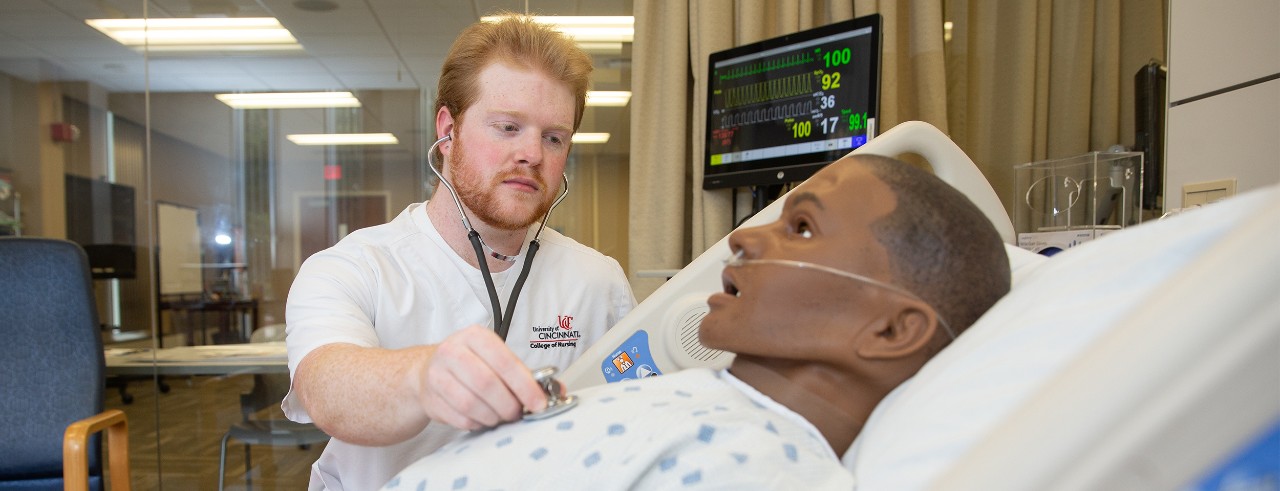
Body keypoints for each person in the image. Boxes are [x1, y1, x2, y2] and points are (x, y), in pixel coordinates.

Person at [382, 153, 1012, 489]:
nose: (743, 238)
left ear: (891, 331)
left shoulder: (766, 469)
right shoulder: (708, 404)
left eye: (802, 227)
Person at [283, 15, 637, 490]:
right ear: (447, 131)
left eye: (554, 137)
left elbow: (634, 419)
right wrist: (424, 378)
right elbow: (327, 389)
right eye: (508, 127)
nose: (532, 153)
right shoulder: (353, 268)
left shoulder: (598, 281)